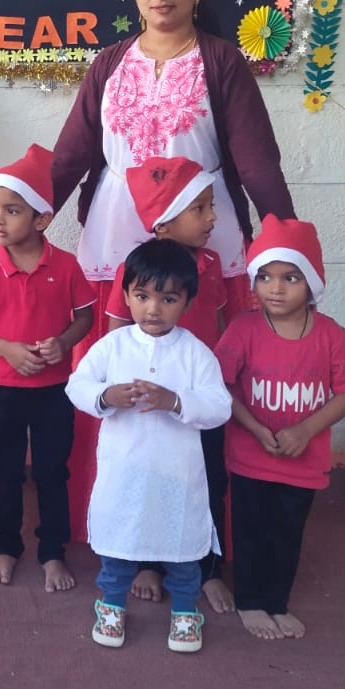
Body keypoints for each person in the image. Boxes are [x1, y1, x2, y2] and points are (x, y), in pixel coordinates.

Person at [50, 0, 296, 544]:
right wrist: (28, 220)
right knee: (118, 364)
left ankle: (198, 536)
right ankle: (117, 527)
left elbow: (256, 159)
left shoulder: (220, 60)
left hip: (203, 230)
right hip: (119, 230)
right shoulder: (110, 63)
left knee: (197, 371)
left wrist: (285, 236)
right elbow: (73, 153)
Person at [66, 239, 232, 652]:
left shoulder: (196, 354)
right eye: (142, 296)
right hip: (125, 472)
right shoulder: (112, 346)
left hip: (178, 475)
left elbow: (219, 407)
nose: (153, 309)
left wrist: (174, 401)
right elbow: (77, 385)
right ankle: (112, 604)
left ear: (187, 302)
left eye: (168, 298)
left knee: (182, 547)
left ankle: (184, 612)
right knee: (119, 545)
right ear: (126, 295)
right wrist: (106, 396)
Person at [213, 217, 345, 642]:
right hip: (250, 458)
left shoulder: (331, 335)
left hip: (303, 463)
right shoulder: (243, 328)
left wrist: (304, 431)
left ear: (312, 283)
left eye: (290, 278)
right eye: (264, 276)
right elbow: (221, 386)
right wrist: (254, 428)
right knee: (250, 531)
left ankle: (277, 602)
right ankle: (250, 602)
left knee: (287, 533)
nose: (275, 289)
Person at [0, 144, 96, 591]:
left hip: (55, 390)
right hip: (3, 389)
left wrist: (64, 343)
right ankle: (6, 546)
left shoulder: (67, 266)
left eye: (12, 210)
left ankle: (52, 552)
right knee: (5, 469)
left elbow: (84, 317)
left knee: (52, 471)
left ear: (42, 219)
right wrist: (7, 350)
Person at [104, 156, 233, 613]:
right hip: (146, 405)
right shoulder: (135, 269)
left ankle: (208, 569)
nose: (212, 217)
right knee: (148, 481)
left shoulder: (212, 263)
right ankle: (149, 564)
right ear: (163, 224)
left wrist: (211, 388)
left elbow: (220, 326)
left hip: (196, 397)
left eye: (210, 205)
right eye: (199, 208)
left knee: (207, 480)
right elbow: (117, 338)